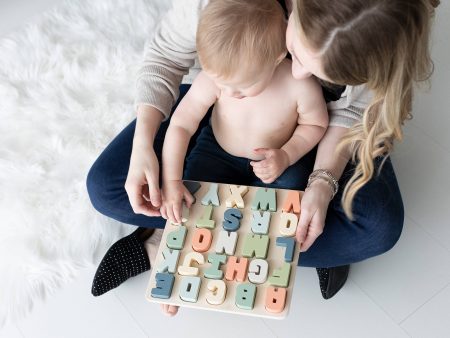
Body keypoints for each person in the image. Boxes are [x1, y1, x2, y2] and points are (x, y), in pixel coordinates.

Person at [86, 0, 438, 316]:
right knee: (107, 187)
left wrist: (322, 182)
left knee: (376, 227)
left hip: (301, 139)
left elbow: (338, 117)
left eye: (322, 73)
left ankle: (196, 245)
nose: (300, 74)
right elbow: (171, 75)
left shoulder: (345, 59)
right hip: (226, 103)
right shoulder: (220, 56)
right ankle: (186, 242)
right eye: (298, 53)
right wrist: (145, 148)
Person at [160, 0, 328, 226]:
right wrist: (171, 180)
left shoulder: (298, 85)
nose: (229, 92)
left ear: (277, 59)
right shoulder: (215, 80)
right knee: (192, 198)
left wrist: (287, 155)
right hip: (217, 151)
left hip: (279, 156)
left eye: (241, 87)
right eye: (222, 83)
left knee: (290, 199)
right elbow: (181, 124)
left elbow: (315, 125)